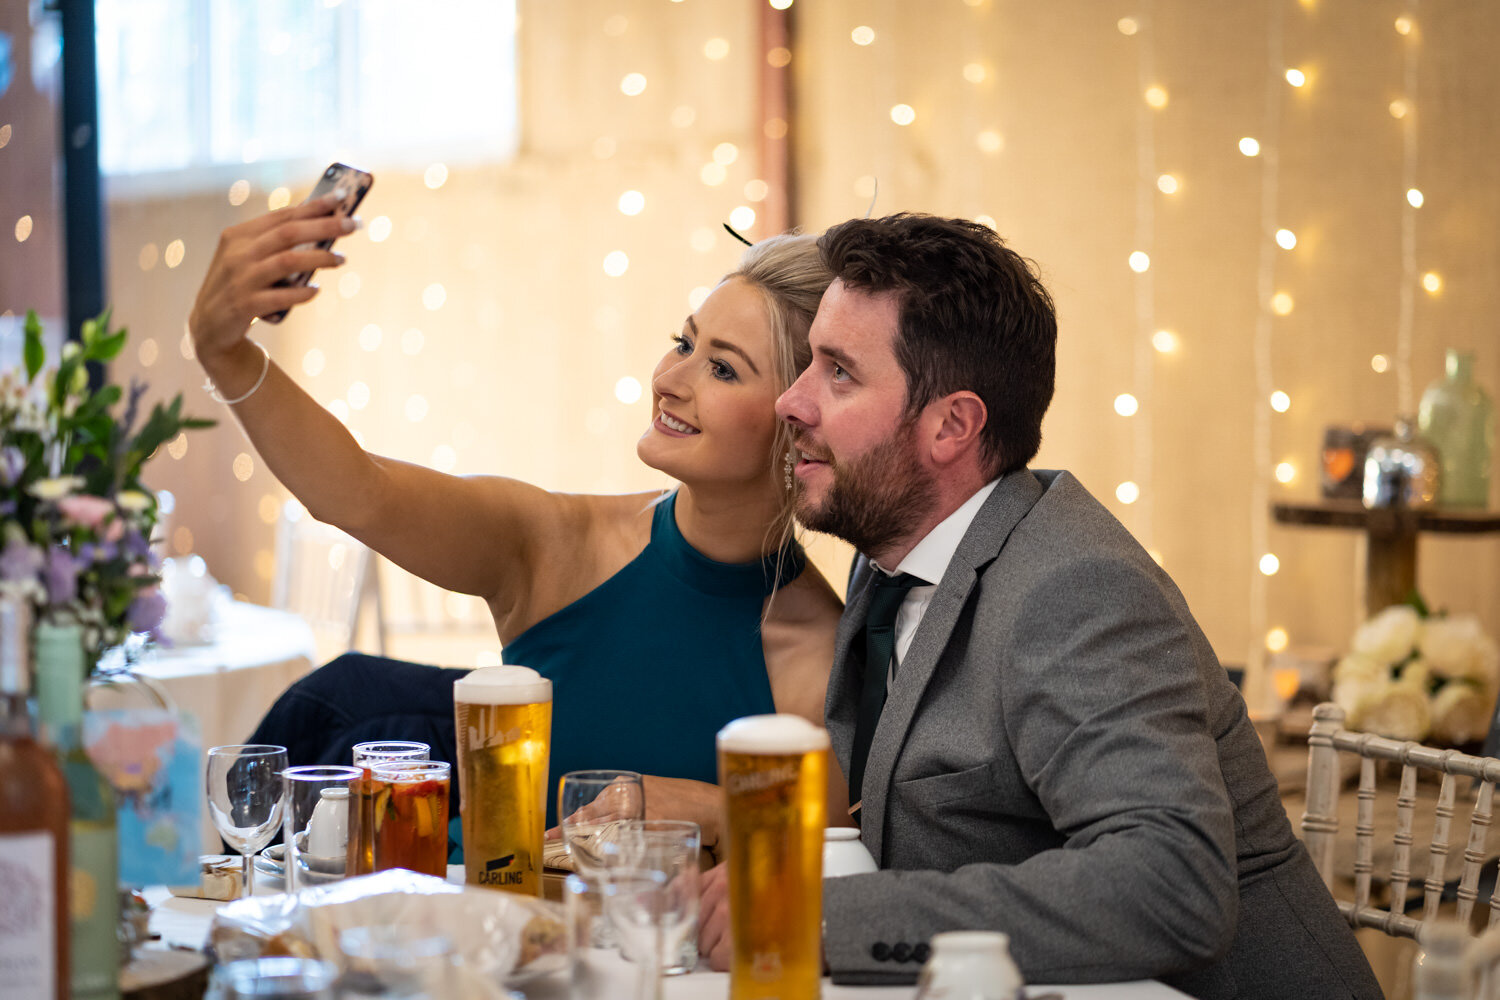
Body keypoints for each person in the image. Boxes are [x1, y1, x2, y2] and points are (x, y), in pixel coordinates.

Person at [698, 213, 1381, 999]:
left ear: (952, 425)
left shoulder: (1075, 590)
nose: (792, 401)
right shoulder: (892, 555)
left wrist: (819, 918)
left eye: (838, 373)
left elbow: (1174, 885)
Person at [186, 193, 848, 846]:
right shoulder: (559, 543)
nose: (671, 378)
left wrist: (715, 809)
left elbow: (823, 858)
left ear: (799, 425)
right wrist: (226, 352)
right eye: (683, 341)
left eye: (722, 369)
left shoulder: (819, 659)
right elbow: (357, 492)